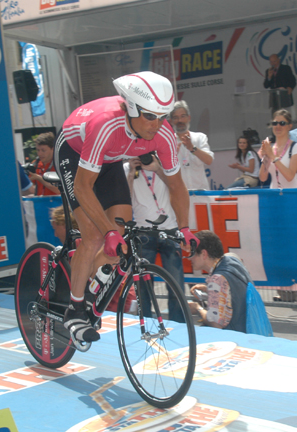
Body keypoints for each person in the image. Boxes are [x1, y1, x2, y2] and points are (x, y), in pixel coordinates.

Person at [54, 71, 198, 343]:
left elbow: (177, 186)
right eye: (150, 116)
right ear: (131, 108)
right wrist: (106, 231)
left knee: (121, 238)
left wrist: (185, 228)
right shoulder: (105, 124)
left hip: (110, 157)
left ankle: (85, 283)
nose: (157, 124)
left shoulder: (163, 133)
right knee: (97, 234)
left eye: (162, 116)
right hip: (75, 151)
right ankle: (74, 308)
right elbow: (84, 186)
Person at [124, 156, 186, 322]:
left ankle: (179, 325)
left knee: (176, 284)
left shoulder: (166, 166)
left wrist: (158, 169)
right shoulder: (127, 169)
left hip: (169, 228)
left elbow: (178, 188)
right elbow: (125, 201)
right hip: (143, 231)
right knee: (143, 285)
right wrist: (131, 174)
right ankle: (147, 323)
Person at [187, 230, 250, 333]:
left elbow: (216, 324)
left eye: (192, 253)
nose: (190, 258)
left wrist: (197, 308)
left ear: (204, 254)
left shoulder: (217, 280)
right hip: (246, 327)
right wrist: (209, 290)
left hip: (234, 335)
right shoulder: (232, 259)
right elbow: (231, 292)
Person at [169, 101, 214, 190]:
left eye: (183, 116)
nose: (180, 121)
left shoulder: (200, 138)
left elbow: (209, 160)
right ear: (171, 121)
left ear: (189, 118)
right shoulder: (168, 142)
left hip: (201, 195)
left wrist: (192, 148)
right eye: (176, 117)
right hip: (180, 197)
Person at [258, 109, 297, 189]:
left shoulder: (296, 147)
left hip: (292, 195)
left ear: (289, 126)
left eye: (282, 123)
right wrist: (266, 157)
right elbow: (263, 178)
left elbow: (290, 176)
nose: (278, 126)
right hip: (275, 195)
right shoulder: (271, 149)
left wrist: (273, 157)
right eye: (275, 123)